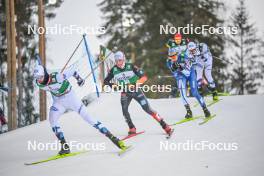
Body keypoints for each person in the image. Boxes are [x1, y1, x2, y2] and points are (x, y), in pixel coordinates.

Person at [33, 63, 127, 155]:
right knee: (52, 119)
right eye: (37, 77)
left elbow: (73, 71)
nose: (39, 80)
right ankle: (65, 147)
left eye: (40, 77)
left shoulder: (58, 77)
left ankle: (115, 140)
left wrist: (79, 79)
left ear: (45, 74)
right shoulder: (38, 83)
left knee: (89, 119)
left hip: (71, 98)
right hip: (59, 102)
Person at [104, 51, 173, 137]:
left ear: (124, 59)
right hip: (125, 92)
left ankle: (165, 126)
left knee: (148, 109)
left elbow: (144, 77)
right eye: (117, 60)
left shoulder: (131, 66)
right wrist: (113, 85)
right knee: (124, 110)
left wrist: (137, 83)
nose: (118, 62)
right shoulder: (113, 70)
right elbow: (106, 81)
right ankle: (132, 128)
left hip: (136, 90)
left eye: (120, 60)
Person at [166, 50, 211, 119]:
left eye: (174, 56)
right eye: (171, 57)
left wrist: (180, 68)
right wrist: (175, 69)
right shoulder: (169, 62)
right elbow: (175, 73)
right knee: (182, 91)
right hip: (180, 76)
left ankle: (205, 109)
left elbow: (188, 73)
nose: (173, 58)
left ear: (177, 54)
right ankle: (189, 111)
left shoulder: (183, 57)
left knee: (194, 92)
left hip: (190, 73)